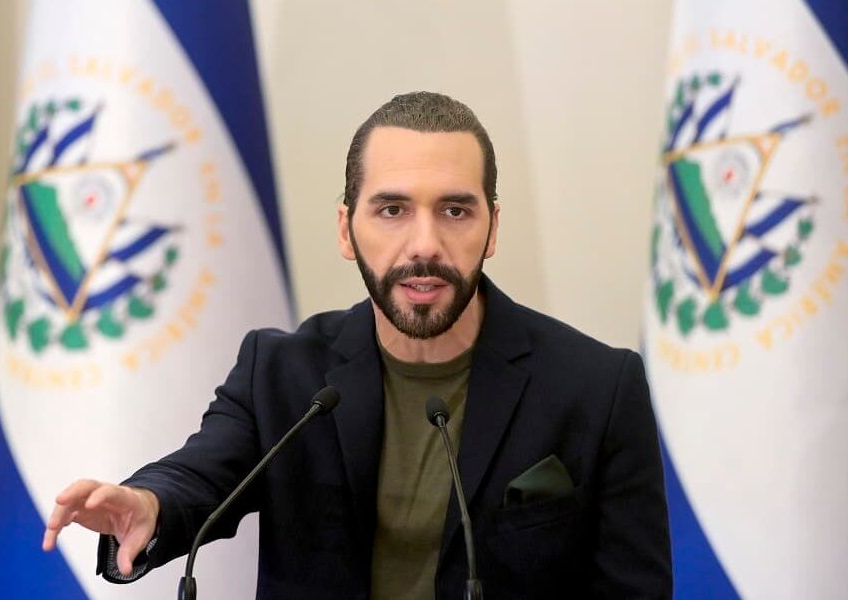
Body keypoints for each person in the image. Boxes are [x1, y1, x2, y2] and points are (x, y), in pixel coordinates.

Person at [43, 91, 672, 599]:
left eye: (455, 211)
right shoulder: (282, 373)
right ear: (347, 230)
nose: (424, 245)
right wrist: (147, 502)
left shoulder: (597, 388)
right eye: (392, 210)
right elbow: (199, 474)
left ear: (492, 227)